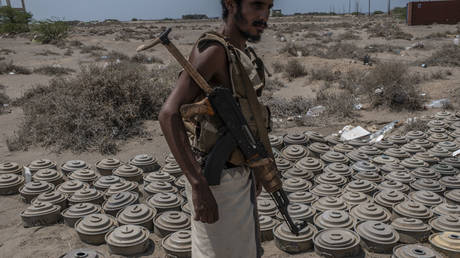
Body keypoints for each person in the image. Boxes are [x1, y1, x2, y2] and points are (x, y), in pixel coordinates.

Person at [158, 0, 273, 257]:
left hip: (239, 174)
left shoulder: (240, 52)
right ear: (231, 4)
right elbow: (169, 114)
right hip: (216, 183)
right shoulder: (213, 51)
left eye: (269, 7)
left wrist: (254, 168)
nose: (264, 15)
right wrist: (198, 184)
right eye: (256, 5)